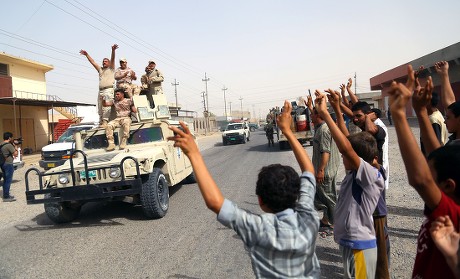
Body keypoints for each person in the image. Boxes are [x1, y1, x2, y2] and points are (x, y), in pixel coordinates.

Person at [167, 101, 321, 278]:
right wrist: (287, 131)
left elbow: (216, 203)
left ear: (261, 201)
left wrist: (193, 154)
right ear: (297, 194)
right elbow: (309, 171)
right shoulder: (309, 217)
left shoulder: (260, 229)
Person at [388, 64, 460, 279]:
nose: (428, 179)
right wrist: (419, 112)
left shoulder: (454, 213)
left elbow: (420, 180)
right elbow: (437, 154)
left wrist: (399, 115)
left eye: (432, 177)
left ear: (448, 186)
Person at [314, 90, 384, 279]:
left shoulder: (371, 175)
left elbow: (346, 146)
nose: (342, 157)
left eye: (345, 156)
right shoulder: (355, 173)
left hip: (359, 246)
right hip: (349, 243)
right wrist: (336, 108)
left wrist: (326, 114)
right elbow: (347, 141)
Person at [306, 95, 340, 233]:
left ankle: (335, 224)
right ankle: (326, 220)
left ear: (318, 116)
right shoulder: (321, 126)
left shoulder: (324, 130)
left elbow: (326, 152)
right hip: (324, 170)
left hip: (324, 172)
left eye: (312, 114)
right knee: (324, 197)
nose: (310, 117)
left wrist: (320, 170)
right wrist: (310, 107)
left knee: (329, 198)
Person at [80, 44, 118, 128]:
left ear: (109, 63)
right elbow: (93, 62)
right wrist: (87, 55)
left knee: (106, 106)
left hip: (108, 90)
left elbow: (113, 59)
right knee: (100, 106)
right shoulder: (100, 70)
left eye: (106, 61)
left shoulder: (111, 69)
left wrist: (113, 50)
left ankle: (105, 121)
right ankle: (101, 121)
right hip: (100, 90)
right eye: (103, 61)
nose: (104, 62)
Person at [1, 132, 18, 202]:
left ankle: (6, 194)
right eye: (11, 137)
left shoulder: (1, 144)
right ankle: (6, 196)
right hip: (8, 164)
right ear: (9, 138)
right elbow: (15, 154)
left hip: (2, 163)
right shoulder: (8, 145)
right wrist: (15, 146)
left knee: (5, 180)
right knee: (8, 180)